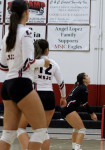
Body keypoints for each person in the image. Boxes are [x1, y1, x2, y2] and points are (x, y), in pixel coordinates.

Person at [0, 0, 50, 150]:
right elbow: (29, 62)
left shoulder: (7, 35)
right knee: (40, 131)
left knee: (8, 134)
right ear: (27, 12)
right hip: (22, 83)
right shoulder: (27, 32)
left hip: (7, 85)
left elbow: (3, 66)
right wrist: (44, 63)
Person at [17, 39, 67, 150]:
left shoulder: (32, 62)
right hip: (49, 96)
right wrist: (63, 97)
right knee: (43, 130)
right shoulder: (53, 63)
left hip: (35, 95)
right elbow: (62, 83)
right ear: (47, 50)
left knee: (20, 128)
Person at [61, 73, 98, 150]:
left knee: (76, 128)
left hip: (65, 109)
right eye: (87, 76)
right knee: (82, 129)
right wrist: (92, 113)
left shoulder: (79, 87)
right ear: (84, 80)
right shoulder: (84, 88)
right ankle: (77, 148)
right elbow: (85, 104)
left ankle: (74, 147)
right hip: (69, 109)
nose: (89, 77)